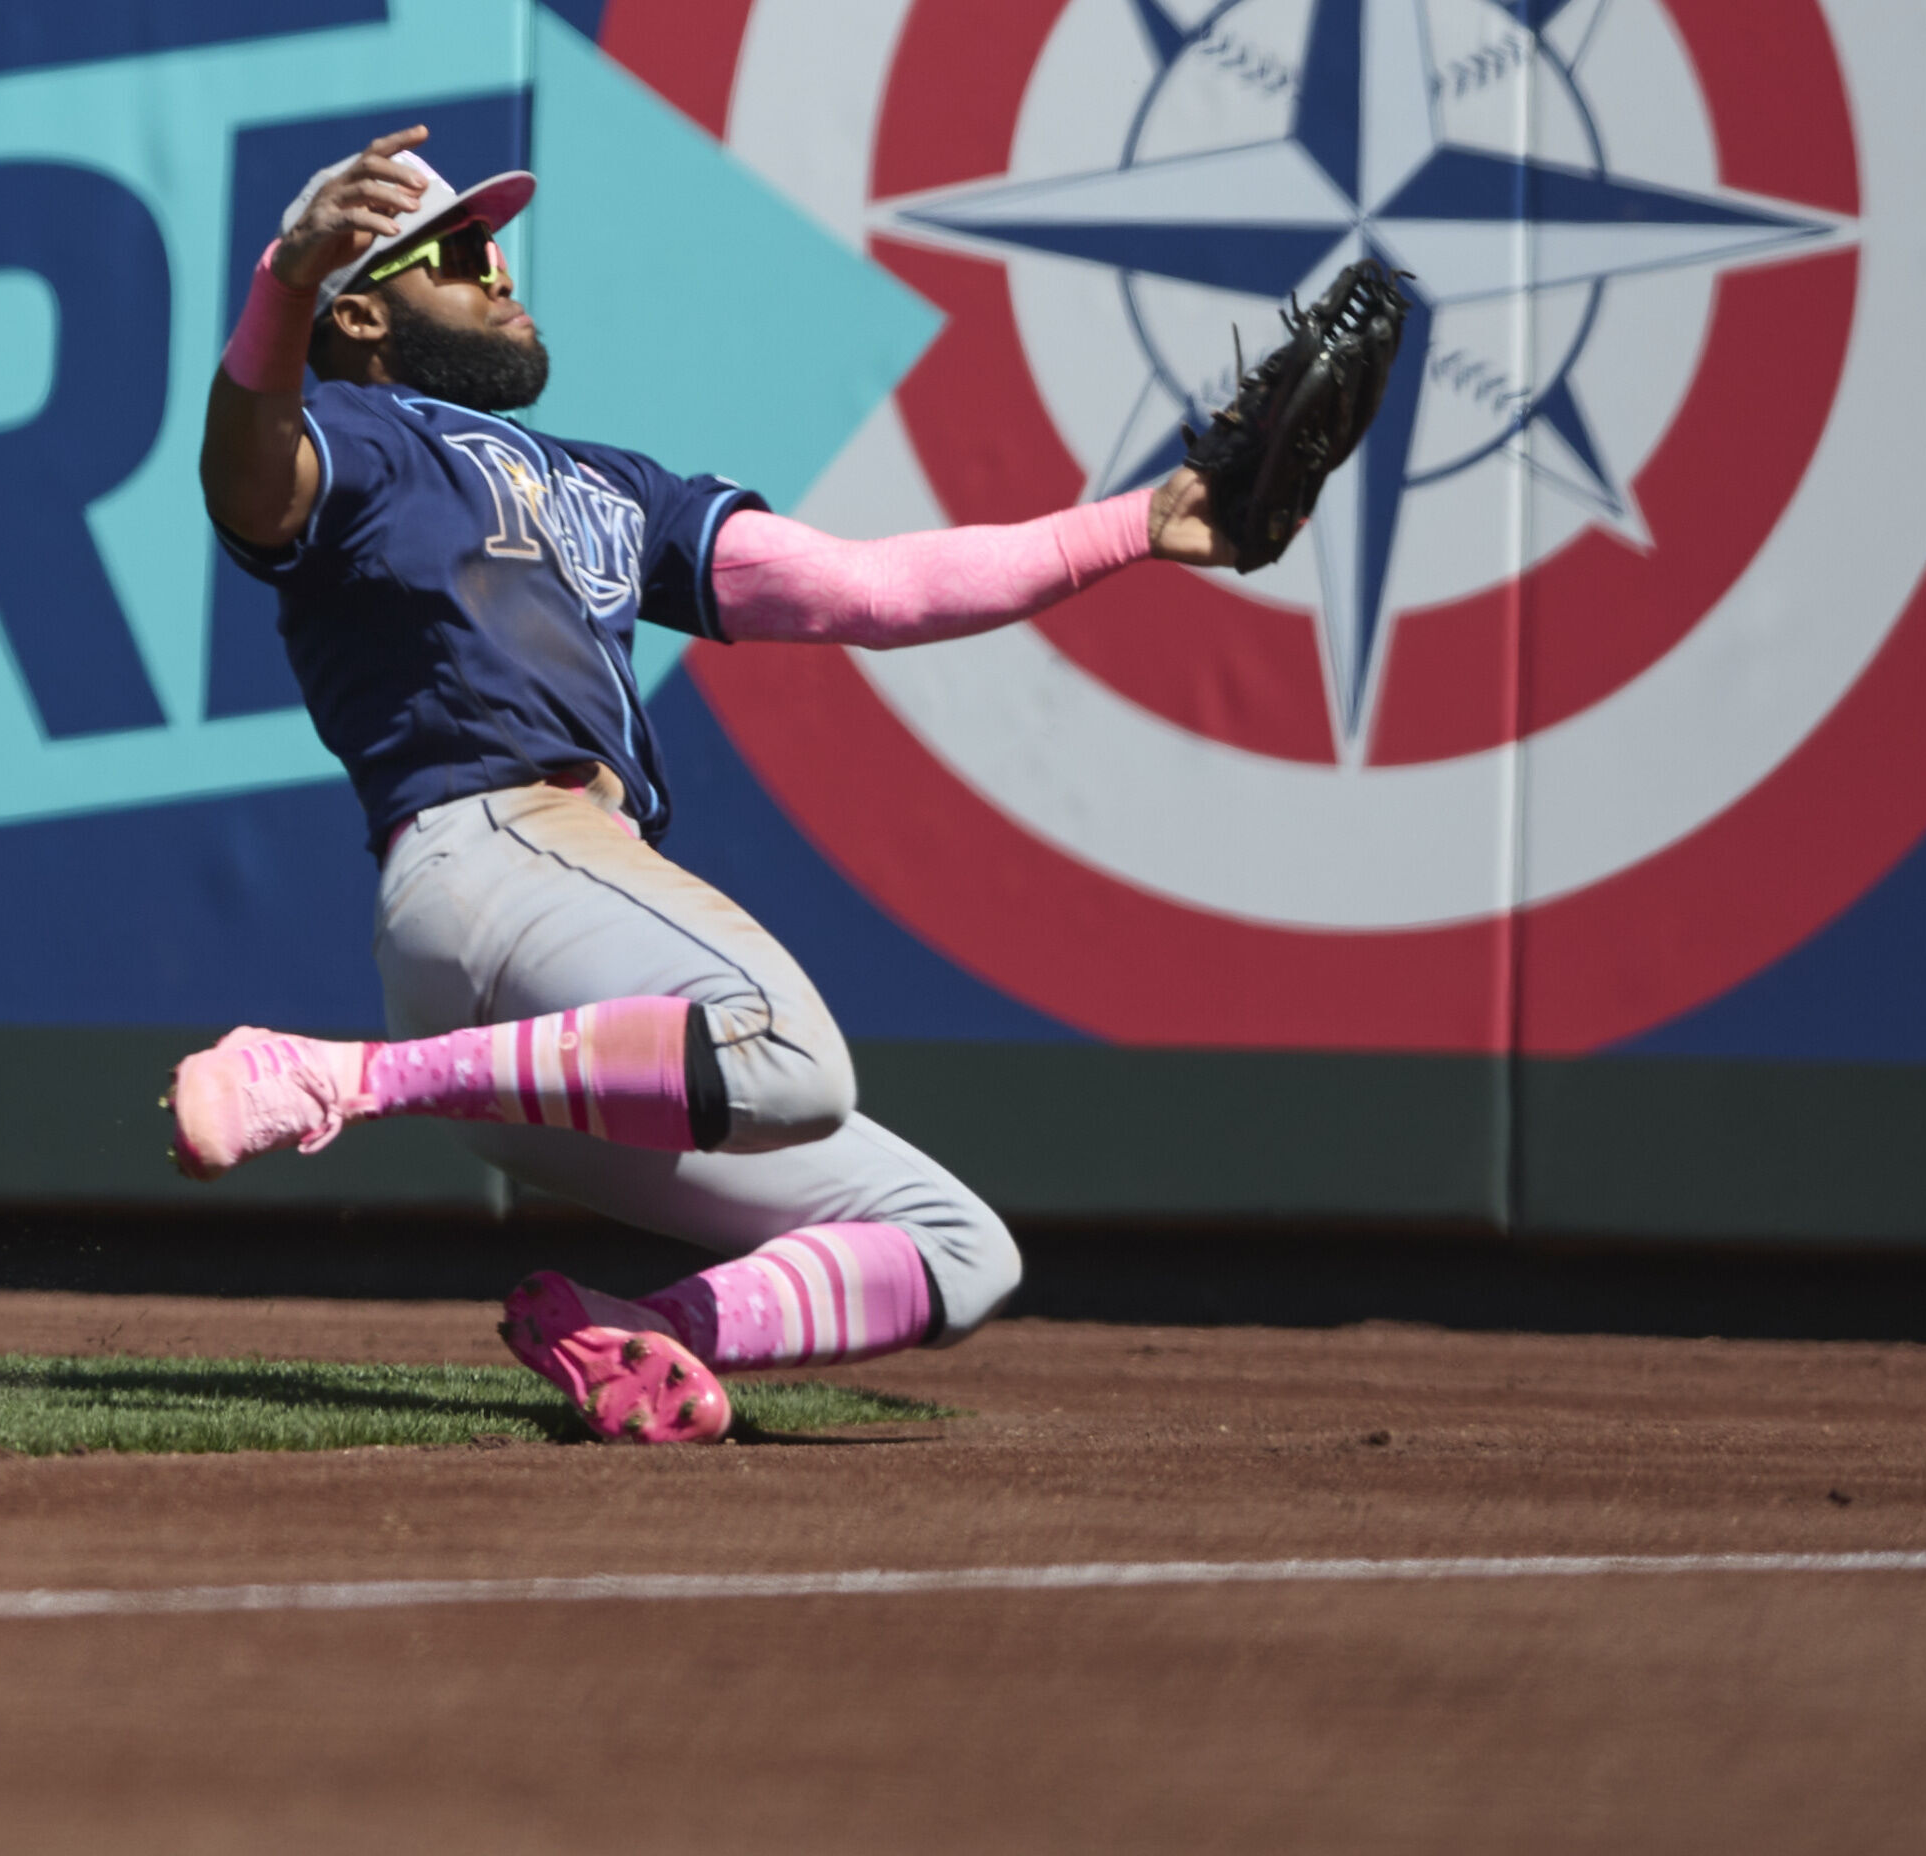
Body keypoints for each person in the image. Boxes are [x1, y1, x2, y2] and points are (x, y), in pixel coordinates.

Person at [181, 124, 1253, 1444]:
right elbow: (245, 470)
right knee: (794, 1060)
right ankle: (342, 1081)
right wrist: (280, 285)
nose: (497, 265)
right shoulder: (354, 435)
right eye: (455, 252)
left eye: (495, 243)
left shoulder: (613, 488)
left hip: (553, 1030)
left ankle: (639, 1338)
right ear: (359, 308)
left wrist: (1142, 523)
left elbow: (878, 589)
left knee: (956, 1245)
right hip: (499, 850)